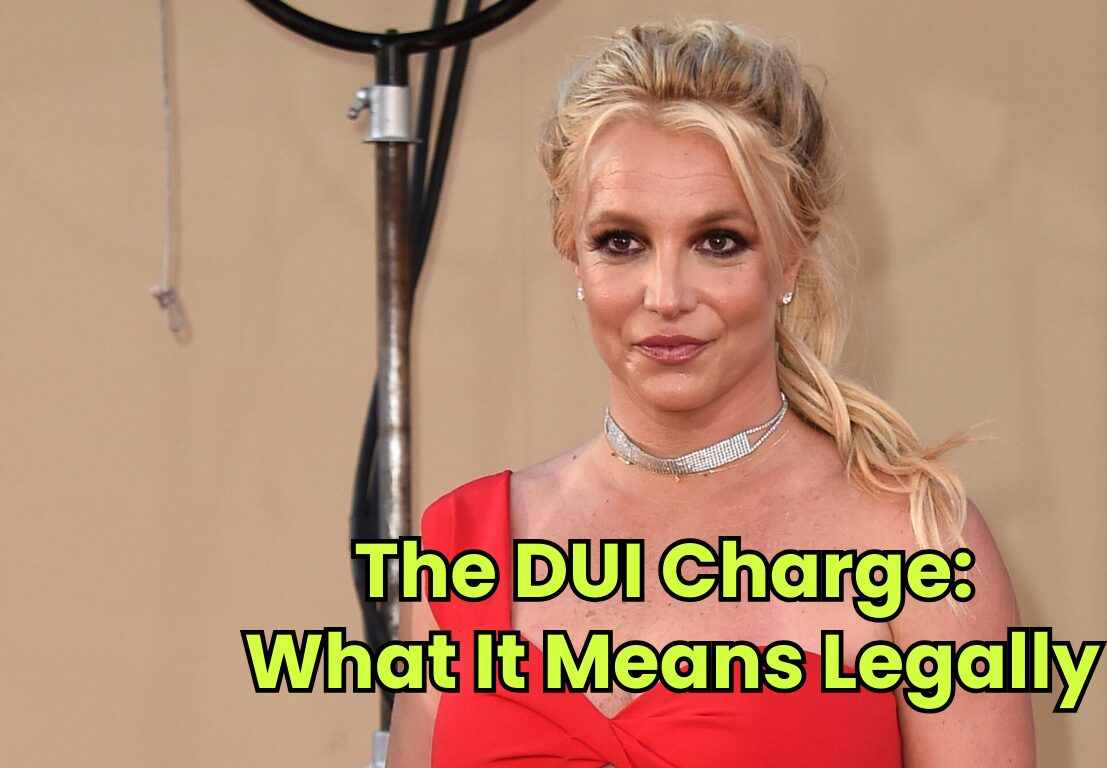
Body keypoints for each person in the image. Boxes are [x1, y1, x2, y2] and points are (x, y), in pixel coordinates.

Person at [388, 19, 1035, 767]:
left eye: (718, 241)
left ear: (790, 258)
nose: (666, 295)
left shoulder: (916, 546)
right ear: (574, 256)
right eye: (621, 242)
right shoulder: (464, 547)